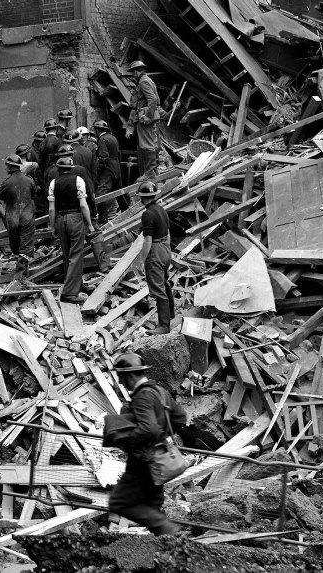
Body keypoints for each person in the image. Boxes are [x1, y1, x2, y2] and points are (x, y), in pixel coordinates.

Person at [104, 352, 186, 535]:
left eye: (121, 377)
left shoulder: (143, 396)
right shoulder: (160, 392)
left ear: (130, 375)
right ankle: (166, 549)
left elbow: (148, 429)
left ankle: (167, 529)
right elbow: (181, 417)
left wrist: (129, 443)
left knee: (118, 502)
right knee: (152, 503)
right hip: (159, 460)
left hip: (142, 462)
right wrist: (164, 435)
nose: (121, 382)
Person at [48, 157, 94, 303]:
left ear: (58, 169)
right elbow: (83, 205)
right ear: (71, 167)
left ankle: (77, 285)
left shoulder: (53, 183)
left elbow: (51, 209)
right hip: (75, 218)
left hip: (60, 219)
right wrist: (90, 223)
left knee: (67, 254)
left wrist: (53, 226)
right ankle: (69, 293)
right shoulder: (78, 180)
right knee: (76, 255)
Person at [138, 182, 174, 334]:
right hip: (165, 248)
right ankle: (170, 313)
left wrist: (141, 261)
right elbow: (168, 232)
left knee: (158, 289)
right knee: (164, 284)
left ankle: (164, 326)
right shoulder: (161, 209)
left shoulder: (147, 214)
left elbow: (147, 240)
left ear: (142, 197)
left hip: (156, 251)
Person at [0, 155, 37, 278]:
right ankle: (21, 276)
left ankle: (21, 275)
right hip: (27, 216)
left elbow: (1, 196)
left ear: (9, 167)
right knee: (26, 246)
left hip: (12, 218)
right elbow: (33, 194)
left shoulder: (6, 182)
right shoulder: (29, 180)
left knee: (15, 246)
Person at [127, 60, 162, 178]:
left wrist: (147, 116)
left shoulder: (143, 82)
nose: (133, 75)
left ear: (137, 72)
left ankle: (150, 171)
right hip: (146, 116)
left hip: (145, 117)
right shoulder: (147, 80)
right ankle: (154, 170)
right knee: (152, 144)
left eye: (133, 72)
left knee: (147, 145)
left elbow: (153, 99)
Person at [93, 120, 122, 224]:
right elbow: (118, 154)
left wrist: (98, 171)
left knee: (101, 193)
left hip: (108, 168)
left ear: (96, 130)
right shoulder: (112, 137)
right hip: (116, 167)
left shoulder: (102, 139)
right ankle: (127, 211)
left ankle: (103, 218)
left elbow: (103, 156)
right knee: (118, 191)